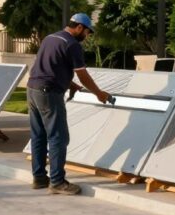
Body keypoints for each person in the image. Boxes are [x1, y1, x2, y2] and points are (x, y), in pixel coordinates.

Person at [26, 13, 111, 195]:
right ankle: (57, 181)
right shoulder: (72, 44)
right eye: (87, 32)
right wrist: (99, 93)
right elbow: (82, 73)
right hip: (48, 93)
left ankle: (39, 178)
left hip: (33, 89)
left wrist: (70, 85)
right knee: (58, 137)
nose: (87, 37)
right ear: (79, 27)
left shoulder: (50, 38)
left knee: (39, 135)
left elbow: (50, 66)